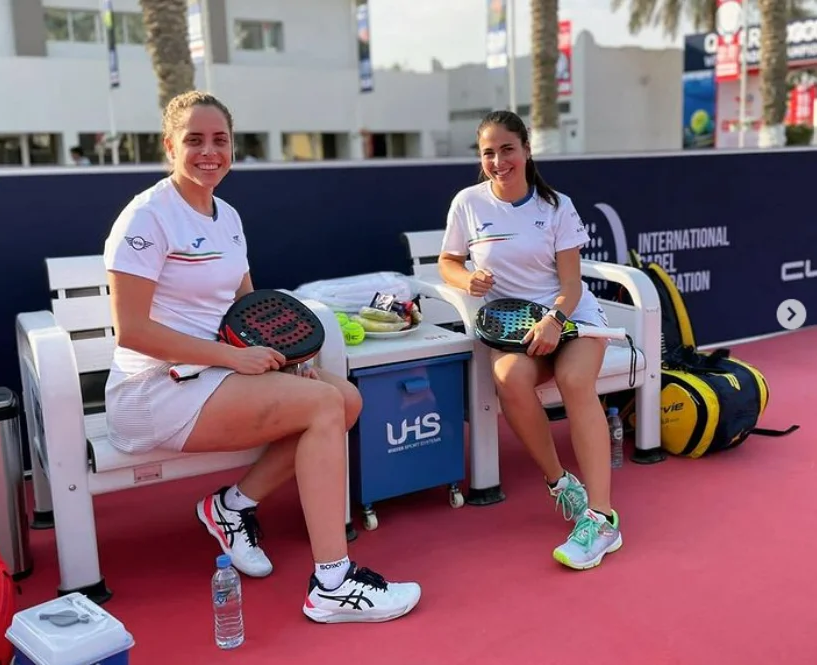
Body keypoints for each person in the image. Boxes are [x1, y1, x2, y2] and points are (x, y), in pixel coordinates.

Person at [102, 90, 421, 623]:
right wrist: (230, 359)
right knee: (321, 407)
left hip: (213, 374)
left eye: (220, 140)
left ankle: (231, 507)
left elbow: (246, 308)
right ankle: (333, 583)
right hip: (154, 389)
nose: (210, 151)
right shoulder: (147, 217)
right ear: (168, 145)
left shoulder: (226, 214)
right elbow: (131, 331)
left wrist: (292, 360)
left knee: (340, 398)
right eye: (195, 140)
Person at [438, 110, 622, 571]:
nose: (498, 161)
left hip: (571, 319)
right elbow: (448, 261)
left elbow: (572, 285)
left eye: (507, 149)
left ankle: (602, 520)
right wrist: (467, 280)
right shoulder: (467, 203)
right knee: (507, 375)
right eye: (488, 152)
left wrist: (555, 320)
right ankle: (562, 483)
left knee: (575, 380)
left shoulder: (557, 205)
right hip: (514, 329)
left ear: (525, 150)